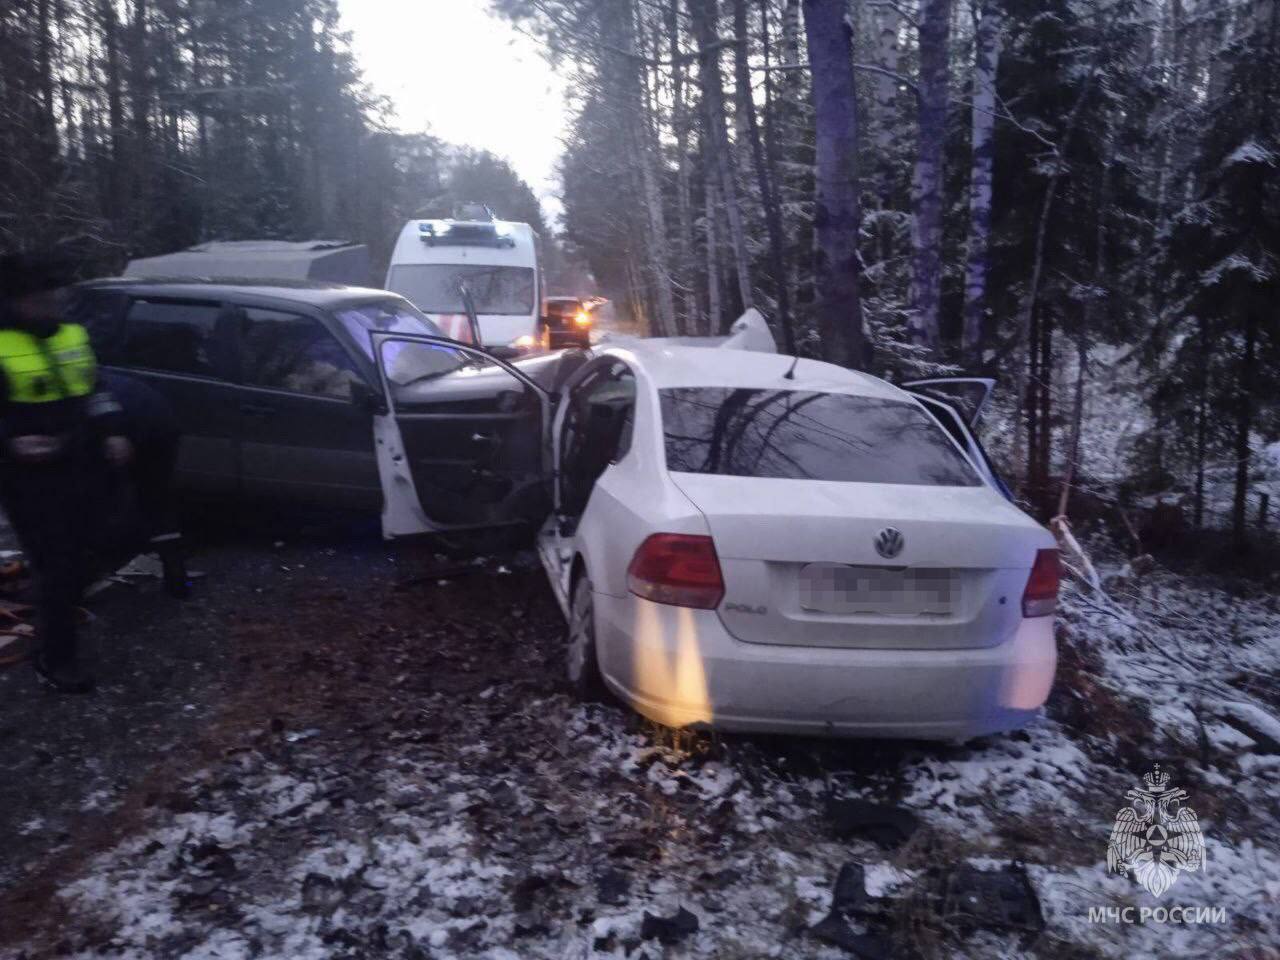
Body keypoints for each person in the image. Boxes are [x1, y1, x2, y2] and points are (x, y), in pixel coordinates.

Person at [0, 252, 131, 693]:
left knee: (88, 549)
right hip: (26, 478)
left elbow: (95, 388)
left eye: (52, 293)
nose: (52, 301)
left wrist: (113, 432)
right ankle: (56, 659)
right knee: (56, 564)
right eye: (40, 296)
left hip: (82, 462)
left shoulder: (73, 334)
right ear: (16, 301)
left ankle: (61, 615)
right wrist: (11, 443)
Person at [96, 369, 188, 598]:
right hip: (160, 422)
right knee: (157, 500)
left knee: (107, 499)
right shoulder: (98, 380)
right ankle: (177, 578)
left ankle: (89, 572)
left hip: (137, 426)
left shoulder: (76, 393)